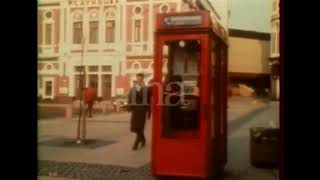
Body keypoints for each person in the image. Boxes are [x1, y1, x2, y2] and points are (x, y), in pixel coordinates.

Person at [128, 73, 150, 150]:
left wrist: (148, 111)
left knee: (140, 127)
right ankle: (143, 139)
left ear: (142, 79)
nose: (139, 80)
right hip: (135, 110)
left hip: (142, 110)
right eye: (138, 78)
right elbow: (130, 98)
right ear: (136, 79)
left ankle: (136, 143)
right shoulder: (133, 88)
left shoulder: (146, 89)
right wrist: (130, 108)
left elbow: (148, 100)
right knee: (134, 127)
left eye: (140, 78)